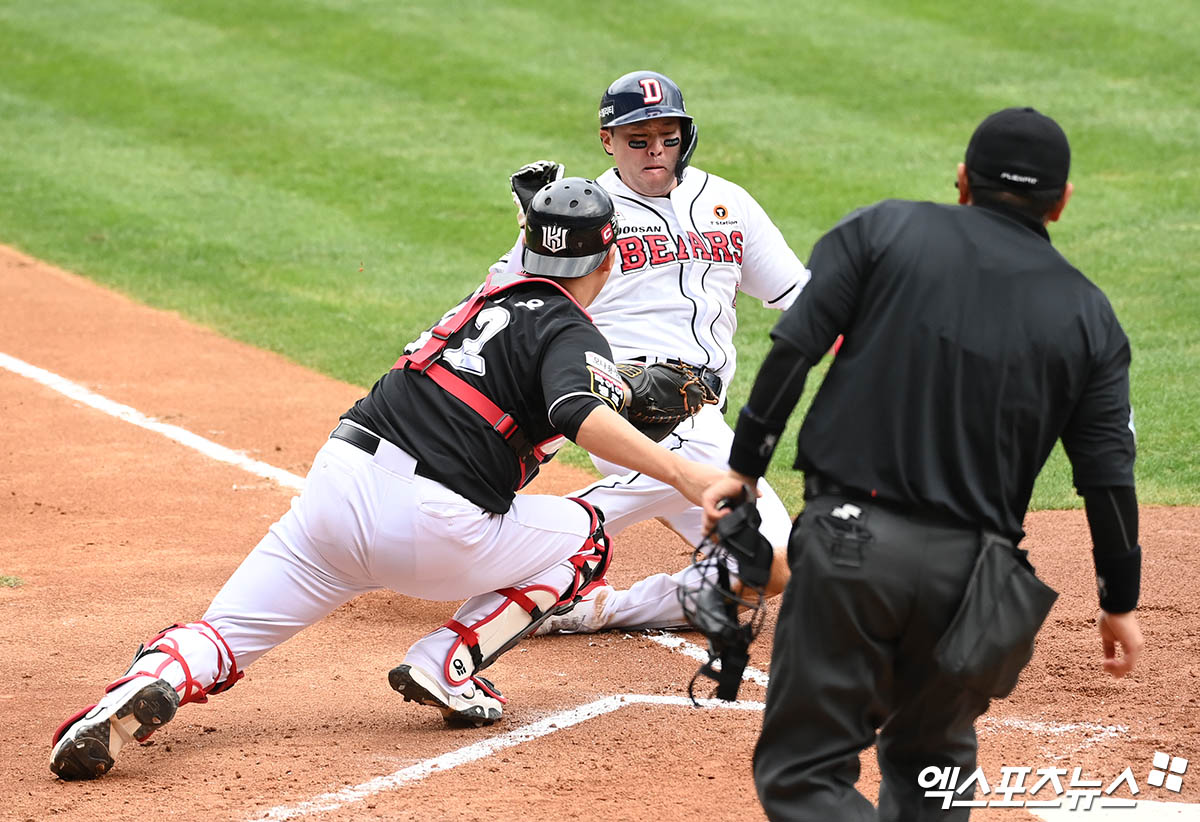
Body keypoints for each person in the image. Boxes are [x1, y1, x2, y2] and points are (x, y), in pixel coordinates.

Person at [49, 178, 724, 781]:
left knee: (225, 631)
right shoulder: (574, 333)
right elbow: (577, 412)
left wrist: (530, 219)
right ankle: (447, 661)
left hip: (335, 491)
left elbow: (529, 265)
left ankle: (140, 687)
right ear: (608, 262)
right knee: (587, 539)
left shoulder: (487, 294)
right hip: (432, 526)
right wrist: (685, 475)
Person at [702, 107, 1144, 821]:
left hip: (852, 550)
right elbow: (1108, 475)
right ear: (1060, 203)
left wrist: (745, 467)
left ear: (963, 181)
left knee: (804, 774)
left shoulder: (884, 230)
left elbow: (795, 348)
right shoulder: (1090, 314)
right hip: (977, 579)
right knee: (934, 769)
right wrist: (1119, 601)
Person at [493, 70, 812, 635]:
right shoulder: (583, 213)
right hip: (623, 402)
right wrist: (535, 236)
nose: (656, 153)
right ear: (607, 141)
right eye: (638, 141)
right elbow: (504, 301)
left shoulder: (726, 202)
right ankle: (504, 552)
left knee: (762, 570)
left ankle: (559, 582)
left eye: (668, 138)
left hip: (700, 410)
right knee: (765, 553)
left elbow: (799, 294)